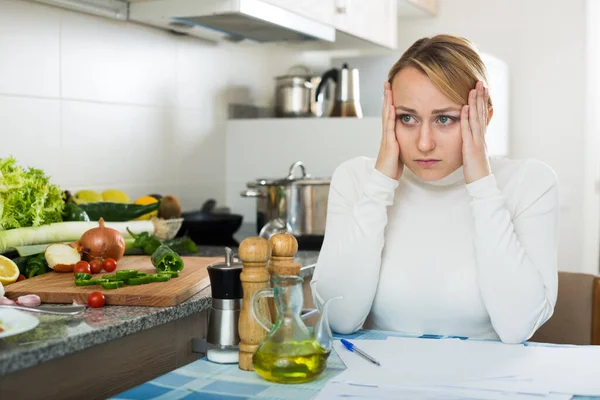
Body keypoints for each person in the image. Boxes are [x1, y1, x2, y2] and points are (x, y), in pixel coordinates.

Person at [310, 34, 559, 344]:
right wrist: (380, 184)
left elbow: (517, 327)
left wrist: (481, 181)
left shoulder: (529, 183)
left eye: (444, 119)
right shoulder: (356, 179)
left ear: (485, 117)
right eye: (407, 118)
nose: (424, 143)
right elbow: (339, 319)